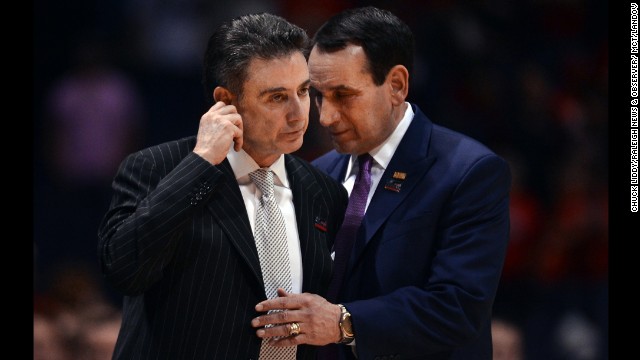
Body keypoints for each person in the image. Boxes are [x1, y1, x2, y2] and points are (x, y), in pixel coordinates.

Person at [250, 6, 512, 360]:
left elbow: (458, 307)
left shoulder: (469, 172)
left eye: (343, 96)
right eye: (318, 95)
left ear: (396, 86)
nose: (325, 117)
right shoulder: (315, 173)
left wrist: (343, 323)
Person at [97, 12, 348, 360]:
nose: (298, 113)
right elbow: (123, 270)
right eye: (276, 97)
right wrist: (201, 162)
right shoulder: (156, 168)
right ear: (226, 100)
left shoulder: (324, 191)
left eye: (303, 91)